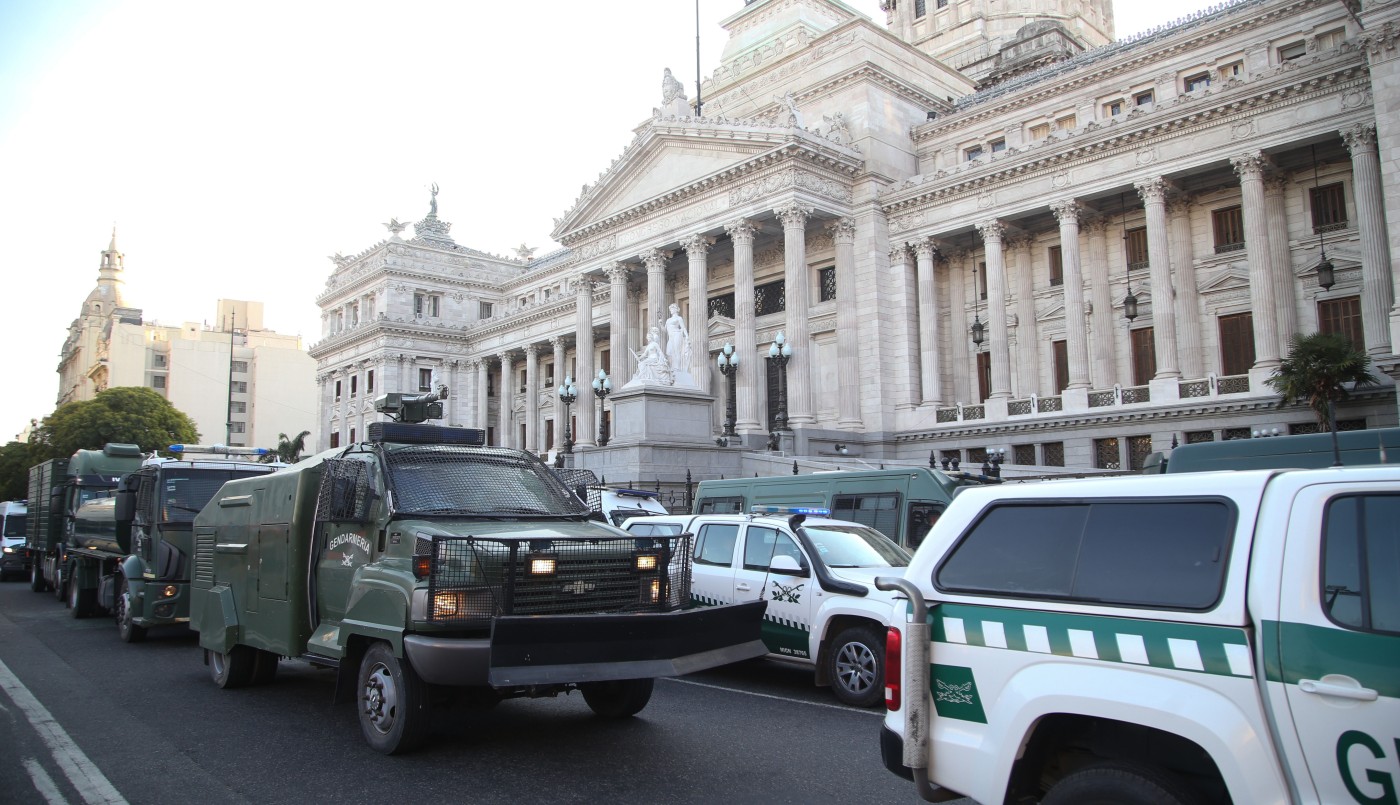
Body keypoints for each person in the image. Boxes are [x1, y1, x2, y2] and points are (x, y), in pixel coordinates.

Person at [664, 303, 691, 375]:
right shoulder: (668, 320)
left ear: (676, 309)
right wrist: (660, 324)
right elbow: (664, 330)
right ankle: (672, 367)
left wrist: (687, 337)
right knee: (669, 352)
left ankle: (677, 368)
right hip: (670, 337)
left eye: (672, 309)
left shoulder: (679, 318)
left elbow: (683, 328)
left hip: (677, 334)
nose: (671, 310)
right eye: (670, 309)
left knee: (677, 352)